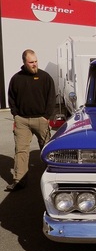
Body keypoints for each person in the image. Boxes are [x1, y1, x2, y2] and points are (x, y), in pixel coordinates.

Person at [6, 49, 56, 191]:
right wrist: (15, 115)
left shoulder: (45, 77)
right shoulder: (16, 79)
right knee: (21, 151)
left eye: (36, 61)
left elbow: (51, 98)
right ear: (24, 62)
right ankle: (19, 180)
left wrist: (46, 116)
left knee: (47, 150)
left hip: (41, 120)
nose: (34, 64)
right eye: (31, 62)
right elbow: (11, 99)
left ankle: (53, 179)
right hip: (22, 121)